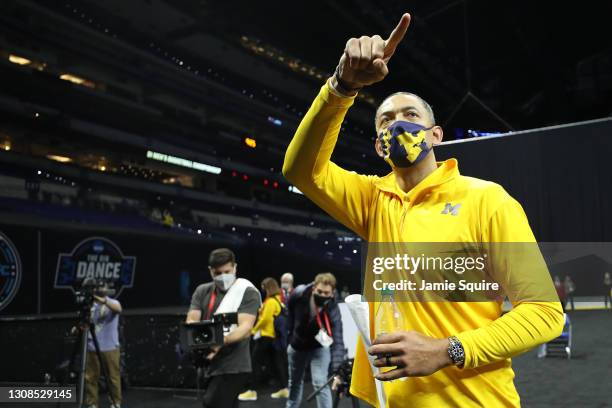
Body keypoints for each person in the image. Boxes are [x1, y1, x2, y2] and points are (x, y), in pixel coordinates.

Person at [282, 12, 564, 407]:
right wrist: (341, 87)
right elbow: (300, 169)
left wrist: (446, 350)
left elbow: (544, 312)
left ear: (435, 136)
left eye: (410, 116)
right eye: (386, 120)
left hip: (473, 400)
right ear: (380, 146)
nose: (398, 124)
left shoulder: (486, 200)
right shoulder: (372, 199)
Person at [186, 248, 261, 408]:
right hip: (210, 363)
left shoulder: (246, 292)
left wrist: (219, 341)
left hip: (234, 364)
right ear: (210, 271)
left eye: (227, 271)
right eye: (217, 273)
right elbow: (192, 319)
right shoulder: (202, 291)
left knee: (212, 403)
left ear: (235, 267)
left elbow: (246, 328)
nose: (222, 276)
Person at [285, 273, 345, 408]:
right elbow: (289, 310)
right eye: (319, 291)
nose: (322, 295)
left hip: (319, 347)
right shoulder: (300, 293)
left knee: (320, 382)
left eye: (326, 292)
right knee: (294, 382)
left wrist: (337, 371)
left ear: (332, 293)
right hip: (297, 345)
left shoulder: (333, 307)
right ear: (313, 288)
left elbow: (338, 339)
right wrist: (291, 334)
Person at [239, 277, 289, 401]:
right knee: (277, 363)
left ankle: (252, 391)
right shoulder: (278, 300)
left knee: (255, 362)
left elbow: (265, 319)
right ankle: (284, 388)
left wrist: (253, 330)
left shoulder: (271, 301)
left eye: (263, 287)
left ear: (268, 287)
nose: (262, 290)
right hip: (273, 338)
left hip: (265, 336)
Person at [85, 282, 122, 408]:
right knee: (90, 378)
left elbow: (118, 309)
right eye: (98, 287)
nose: (101, 289)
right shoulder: (89, 306)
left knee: (113, 378)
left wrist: (103, 301)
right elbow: (85, 322)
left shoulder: (113, 303)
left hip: (110, 347)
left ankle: (115, 403)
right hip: (92, 347)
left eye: (104, 287)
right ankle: (92, 404)